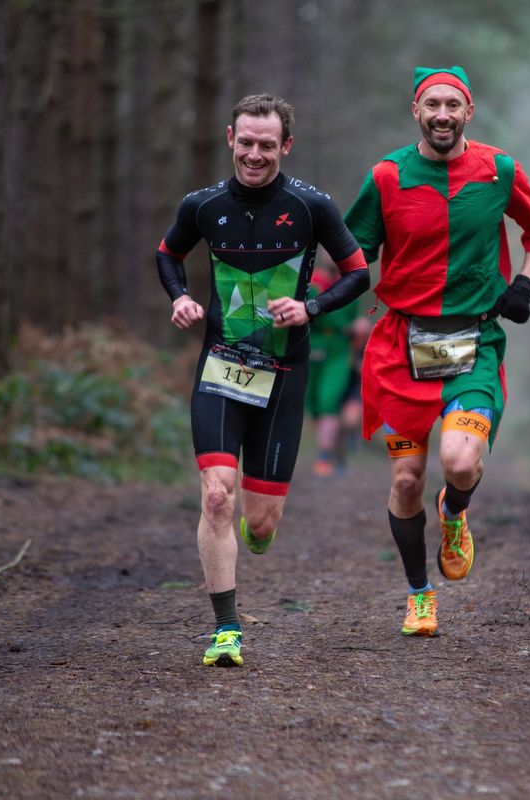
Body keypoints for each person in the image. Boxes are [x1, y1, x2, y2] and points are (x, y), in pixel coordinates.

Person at [156, 94, 369, 666]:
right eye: (246, 142)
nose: (254, 154)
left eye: (267, 145)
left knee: (259, 519)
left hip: (284, 374)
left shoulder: (310, 205)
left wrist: (312, 308)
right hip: (221, 369)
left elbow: (357, 275)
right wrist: (179, 297)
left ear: (285, 146)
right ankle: (226, 629)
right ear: (230, 138)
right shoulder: (202, 205)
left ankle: (260, 529)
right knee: (217, 496)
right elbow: (168, 254)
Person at [344, 67, 530, 637]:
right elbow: (353, 252)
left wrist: (526, 283)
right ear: (416, 109)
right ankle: (419, 596)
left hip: (474, 343)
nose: (442, 114)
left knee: (460, 463)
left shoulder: (498, 169)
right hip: (401, 348)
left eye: (452, 105)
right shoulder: (387, 176)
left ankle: (456, 512)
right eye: (431, 104)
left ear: (469, 112)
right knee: (407, 480)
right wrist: (313, 301)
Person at [304, 257, 367, 477]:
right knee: (314, 404)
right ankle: (331, 449)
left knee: (329, 399)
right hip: (312, 347)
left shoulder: (351, 284)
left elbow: (354, 320)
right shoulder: (309, 284)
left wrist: (358, 328)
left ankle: (324, 455)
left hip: (339, 351)